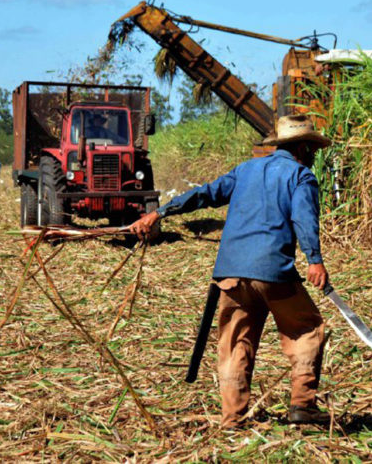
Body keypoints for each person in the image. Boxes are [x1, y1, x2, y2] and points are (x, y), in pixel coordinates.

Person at [129, 115, 332, 428]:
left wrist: (159, 212)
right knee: (305, 328)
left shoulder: (245, 170)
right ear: (303, 147)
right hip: (272, 271)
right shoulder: (301, 176)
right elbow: (304, 219)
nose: (315, 155)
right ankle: (303, 405)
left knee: (235, 342)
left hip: (231, 274)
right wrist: (314, 259)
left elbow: (204, 194)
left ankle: (232, 418)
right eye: (313, 149)